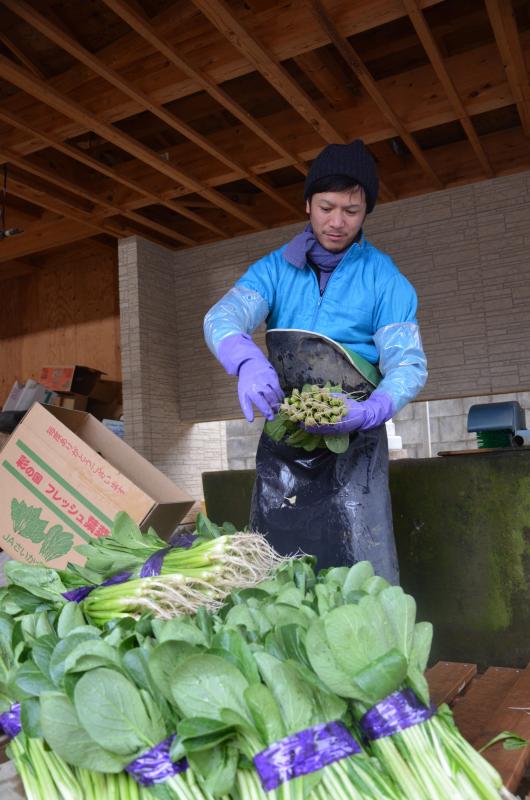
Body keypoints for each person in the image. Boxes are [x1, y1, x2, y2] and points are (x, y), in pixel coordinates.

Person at [204, 140, 427, 583]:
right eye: (326, 207)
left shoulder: (384, 278)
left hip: (355, 444)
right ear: (308, 204)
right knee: (277, 567)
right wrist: (246, 361)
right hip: (287, 439)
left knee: (360, 566)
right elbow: (223, 316)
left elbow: (408, 366)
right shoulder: (274, 270)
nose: (337, 222)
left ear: (366, 213)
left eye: (351, 210)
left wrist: (371, 411)